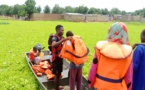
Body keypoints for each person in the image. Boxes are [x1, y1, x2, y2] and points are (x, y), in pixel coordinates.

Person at [88, 22, 133, 90]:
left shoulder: (100, 48)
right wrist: (129, 87)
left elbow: (93, 68)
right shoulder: (128, 52)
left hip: (101, 85)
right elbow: (129, 75)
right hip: (118, 86)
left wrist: (90, 83)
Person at [50, 25, 69, 90]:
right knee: (56, 74)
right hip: (56, 59)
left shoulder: (61, 37)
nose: (63, 31)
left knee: (59, 74)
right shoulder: (54, 37)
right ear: (58, 30)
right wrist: (63, 41)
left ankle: (57, 87)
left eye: (63, 30)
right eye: (62, 30)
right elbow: (54, 44)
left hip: (60, 58)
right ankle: (56, 89)